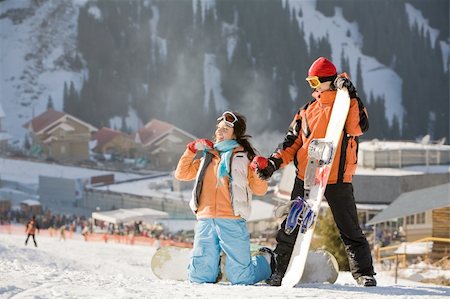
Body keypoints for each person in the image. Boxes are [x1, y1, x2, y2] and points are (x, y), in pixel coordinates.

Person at [251, 57, 376, 287]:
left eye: (316, 81)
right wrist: (272, 164)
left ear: (329, 80)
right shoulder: (307, 111)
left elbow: (358, 127)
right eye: (310, 82)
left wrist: (352, 95)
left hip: (337, 177)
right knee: (291, 224)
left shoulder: (346, 103)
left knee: (348, 226)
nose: (313, 87)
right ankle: (279, 271)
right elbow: (291, 143)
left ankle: (364, 273)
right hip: (307, 177)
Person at [174, 111, 275, 285]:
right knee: (199, 278)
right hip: (205, 219)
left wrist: (260, 172)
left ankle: (266, 262)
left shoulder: (244, 157)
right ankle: (216, 268)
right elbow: (181, 174)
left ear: (235, 133)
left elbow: (260, 190)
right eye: (218, 129)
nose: (219, 132)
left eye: (226, 129)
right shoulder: (208, 157)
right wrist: (191, 150)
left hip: (232, 220)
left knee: (242, 279)